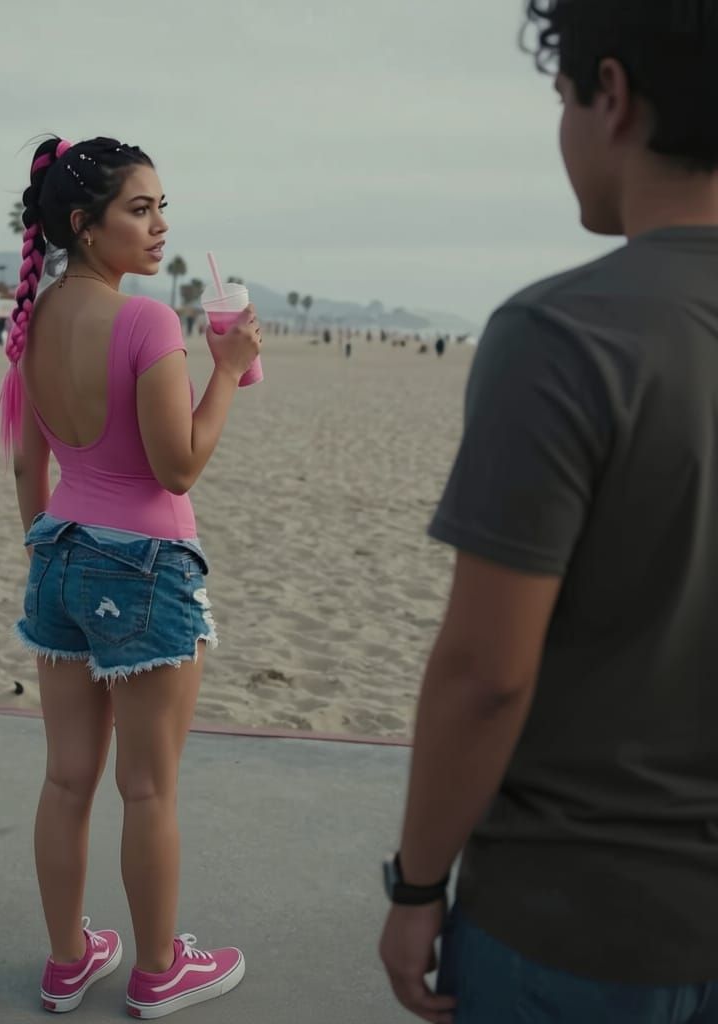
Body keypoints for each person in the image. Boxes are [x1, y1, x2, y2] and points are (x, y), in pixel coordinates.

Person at [378, 2, 718, 1022]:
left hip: (579, 922)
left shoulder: (563, 335)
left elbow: (486, 673)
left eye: (560, 98)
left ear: (608, 94)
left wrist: (416, 886)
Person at [0, 136, 260, 1018]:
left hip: (60, 556)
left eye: (161, 208)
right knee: (147, 786)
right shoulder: (146, 323)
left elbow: (30, 469)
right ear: (85, 224)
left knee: (67, 778)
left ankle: (68, 961)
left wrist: (46, 553)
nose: (159, 227)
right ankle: (157, 971)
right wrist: (224, 373)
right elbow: (176, 466)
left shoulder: (32, 325)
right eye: (138, 210)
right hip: (146, 563)